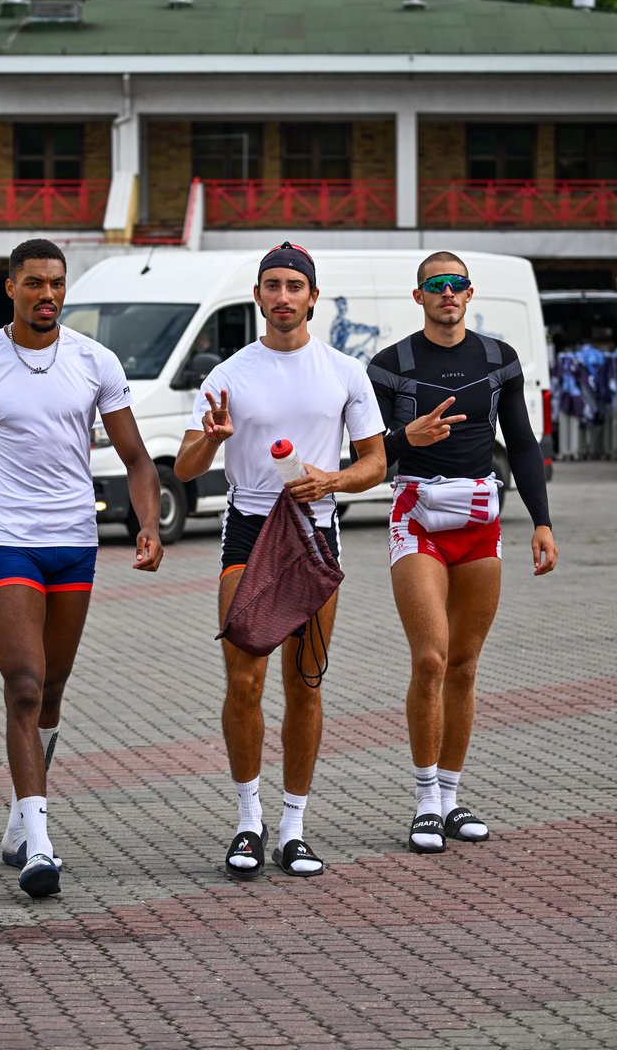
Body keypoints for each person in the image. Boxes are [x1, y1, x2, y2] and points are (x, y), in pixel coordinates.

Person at [0, 238, 163, 899]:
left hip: (76, 544)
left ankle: (17, 814)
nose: (48, 295)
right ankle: (39, 843)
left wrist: (147, 525)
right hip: (10, 543)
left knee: (53, 689)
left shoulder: (95, 362)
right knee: (24, 688)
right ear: (11, 287)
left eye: (57, 284)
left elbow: (139, 459)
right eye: (34, 283)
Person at [175, 241, 386, 880]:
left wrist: (331, 480)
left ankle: (293, 825)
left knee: (306, 682)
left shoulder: (346, 372)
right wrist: (209, 442)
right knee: (243, 680)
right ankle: (248, 820)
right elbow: (184, 469)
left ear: (313, 297)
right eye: (273, 285)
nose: (284, 296)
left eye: (296, 285)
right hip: (248, 529)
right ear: (259, 296)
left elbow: (377, 464)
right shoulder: (228, 375)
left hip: (315, 533)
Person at [367, 252, 558, 855]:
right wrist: (406, 437)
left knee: (466, 666)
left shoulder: (498, 359)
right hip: (416, 514)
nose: (447, 294)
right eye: (436, 286)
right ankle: (424, 800)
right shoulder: (390, 365)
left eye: (456, 285)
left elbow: (523, 444)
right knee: (430, 659)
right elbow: (371, 456)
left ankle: (451, 797)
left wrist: (543, 523)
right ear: (418, 296)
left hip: (480, 517)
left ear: (470, 294)